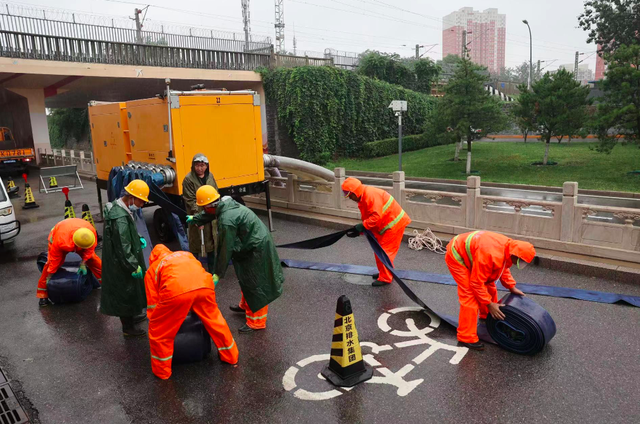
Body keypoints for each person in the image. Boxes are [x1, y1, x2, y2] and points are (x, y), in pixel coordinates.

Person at [186, 186, 284, 333]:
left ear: (209, 205)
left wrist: (218, 273)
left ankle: (256, 322)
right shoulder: (225, 204)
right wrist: (197, 218)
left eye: (203, 208)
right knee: (246, 277)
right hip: (250, 243)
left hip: (256, 249)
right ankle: (245, 305)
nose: (204, 210)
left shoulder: (227, 220)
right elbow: (212, 212)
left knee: (255, 283)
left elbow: (225, 249)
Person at [145, 244, 239, 379]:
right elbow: (196, 273)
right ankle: (231, 356)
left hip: (176, 290)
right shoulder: (185, 255)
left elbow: (153, 304)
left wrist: (156, 320)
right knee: (215, 320)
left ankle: (162, 372)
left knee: (159, 331)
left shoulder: (153, 268)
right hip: (204, 285)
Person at [444, 230, 536, 350]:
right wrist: (489, 303)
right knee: (469, 296)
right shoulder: (490, 255)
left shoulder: (508, 248)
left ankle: (486, 315)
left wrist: (511, 287)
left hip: (476, 252)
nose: (518, 264)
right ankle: (466, 337)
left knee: (489, 285)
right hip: (457, 255)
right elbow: (476, 283)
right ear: (515, 255)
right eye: (519, 261)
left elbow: (502, 268)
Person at [101, 179, 150, 337]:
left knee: (131, 290)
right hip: (121, 263)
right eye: (141, 201)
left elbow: (125, 236)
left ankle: (132, 316)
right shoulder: (120, 218)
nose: (141, 205)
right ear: (131, 197)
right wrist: (133, 265)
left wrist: (137, 237)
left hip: (120, 260)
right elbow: (123, 246)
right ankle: (128, 328)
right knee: (126, 291)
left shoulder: (121, 209)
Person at [342, 177, 412, 287]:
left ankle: (385, 278)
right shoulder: (364, 196)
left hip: (393, 225)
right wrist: (360, 231)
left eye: (350, 194)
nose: (350, 198)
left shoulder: (369, 196)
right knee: (379, 250)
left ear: (355, 191)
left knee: (384, 252)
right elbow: (369, 217)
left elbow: (375, 217)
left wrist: (362, 226)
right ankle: (384, 272)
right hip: (387, 225)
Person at [37, 218, 101, 307]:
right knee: (50, 264)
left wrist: (83, 263)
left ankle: (105, 283)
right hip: (58, 235)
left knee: (93, 260)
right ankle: (43, 294)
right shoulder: (61, 241)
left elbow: (89, 251)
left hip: (75, 233)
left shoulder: (90, 234)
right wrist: (50, 275)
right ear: (76, 244)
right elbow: (54, 260)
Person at [182, 153, 218, 272]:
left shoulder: (210, 176)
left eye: (202, 165)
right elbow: (190, 200)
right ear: (193, 166)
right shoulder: (188, 179)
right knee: (196, 244)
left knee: (212, 243)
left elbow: (215, 192)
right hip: (197, 215)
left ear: (206, 166)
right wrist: (199, 218)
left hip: (211, 214)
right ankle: (195, 272)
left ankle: (212, 271)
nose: (200, 168)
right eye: (197, 165)